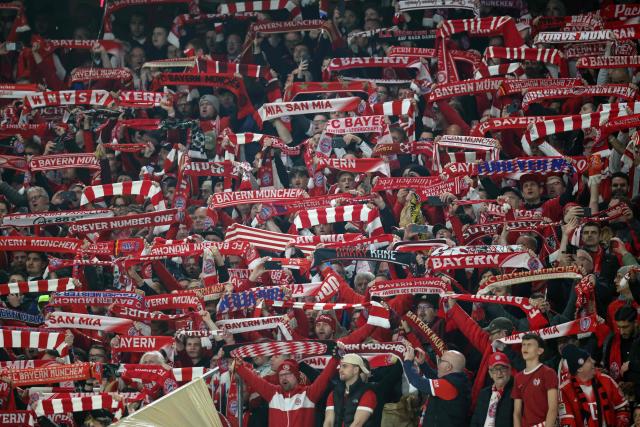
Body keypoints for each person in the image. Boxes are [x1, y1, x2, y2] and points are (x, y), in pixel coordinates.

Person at [233, 356, 339, 427]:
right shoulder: (272, 393)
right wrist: (238, 366)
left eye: (288, 374)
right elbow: (253, 380)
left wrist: (336, 358)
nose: (284, 378)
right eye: (281, 375)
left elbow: (325, 377)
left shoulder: (309, 393)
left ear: (296, 376)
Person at [558, 344, 630, 427]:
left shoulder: (606, 380)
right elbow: (567, 421)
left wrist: (621, 423)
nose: (593, 361)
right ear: (579, 368)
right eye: (588, 360)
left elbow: (623, 407)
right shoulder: (566, 390)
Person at [402, 346, 470, 426]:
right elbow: (435, 377)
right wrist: (422, 364)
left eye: (440, 361)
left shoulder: (449, 386)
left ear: (448, 367)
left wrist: (408, 362)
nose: (438, 363)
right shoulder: (457, 380)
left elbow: (417, 382)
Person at [512, 334, 558, 427]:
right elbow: (517, 412)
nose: (525, 347)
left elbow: (553, 408)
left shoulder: (548, 372)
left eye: (529, 345)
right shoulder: (518, 377)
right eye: (523, 344)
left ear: (540, 351)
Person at [324, 353, 377, 427]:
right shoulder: (334, 393)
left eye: (345, 366)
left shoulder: (368, 393)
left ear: (356, 370)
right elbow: (328, 422)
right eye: (340, 367)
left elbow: (357, 424)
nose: (340, 370)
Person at [471, 352, 515, 427]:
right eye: (495, 369)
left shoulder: (516, 393)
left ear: (510, 370)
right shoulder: (483, 394)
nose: (499, 373)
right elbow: (475, 420)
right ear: (490, 373)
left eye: (503, 368)